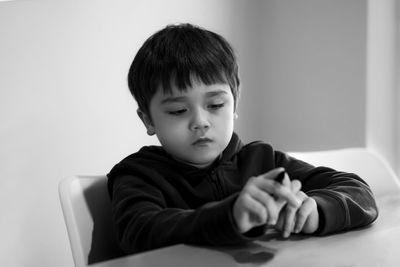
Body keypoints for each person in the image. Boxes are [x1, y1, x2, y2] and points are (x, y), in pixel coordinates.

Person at [107, 23, 378, 254]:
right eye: (178, 110)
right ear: (149, 120)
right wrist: (230, 216)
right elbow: (140, 232)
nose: (200, 122)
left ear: (234, 104)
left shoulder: (262, 161)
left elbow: (359, 192)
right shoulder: (138, 175)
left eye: (215, 105)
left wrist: (317, 210)